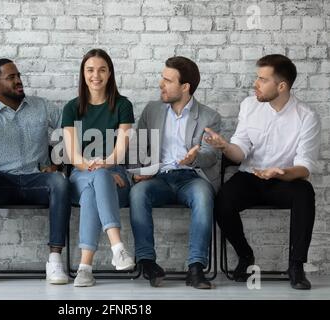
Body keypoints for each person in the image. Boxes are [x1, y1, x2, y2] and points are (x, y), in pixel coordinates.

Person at [205, 54, 320, 290]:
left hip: (284, 180)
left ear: (281, 86)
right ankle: (245, 255)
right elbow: (240, 152)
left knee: (305, 193)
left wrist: (281, 172)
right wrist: (225, 146)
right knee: (222, 200)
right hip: (250, 176)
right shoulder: (249, 105)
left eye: (262, 79)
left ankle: (296, 266)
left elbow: (305, 167)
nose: (255, 84)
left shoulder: (307, 117)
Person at [0, 59, 71, 285]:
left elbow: (71, 129)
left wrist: (58, 162)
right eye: (11, 77)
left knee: (60, 182)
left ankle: (54, 261)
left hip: (37, 180)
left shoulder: (41, 105)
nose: (18, 81)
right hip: (2, 181)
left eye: (18, 76)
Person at [128, 56, 220, 289]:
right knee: (138, 193)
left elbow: (211, 155)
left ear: (185, 87)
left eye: (168, 80)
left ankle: (196, 267)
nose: (161, 84)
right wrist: (142, 171)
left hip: (191, 177)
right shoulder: (152, 110)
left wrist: (194, 157)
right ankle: (147, 262)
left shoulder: (209, 117)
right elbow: (138, 148)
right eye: (162, 77)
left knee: (203, 195)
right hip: (158, 177)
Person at [62, 49, 135, 287]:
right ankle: (118, 247)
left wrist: (105, 164)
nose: (96, 75)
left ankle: (85, 268)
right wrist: (93, 166)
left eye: (102, 69)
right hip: (81, 174)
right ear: (83, 74)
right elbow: (73, 156)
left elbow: (120, 150)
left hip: (116, 177)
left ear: (110, 73)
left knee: (96, 185)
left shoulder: (123, 105)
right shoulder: (71, 108)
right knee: (97, 179)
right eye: (90, 70)